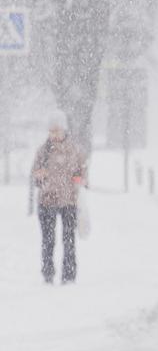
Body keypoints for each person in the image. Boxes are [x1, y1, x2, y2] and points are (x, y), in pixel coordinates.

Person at [29, 112, 86, 285]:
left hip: (69, 201)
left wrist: (79, 179)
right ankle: (48, 275)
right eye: (51, 131)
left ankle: (69, 276)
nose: (53, 134)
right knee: (48, 241)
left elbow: (82, 172)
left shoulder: (74, 150)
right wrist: (39, 176)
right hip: (47, 201)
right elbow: (35, 175)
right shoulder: (43, 151)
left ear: (64, 130)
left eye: (57, 130)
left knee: (69, 240)